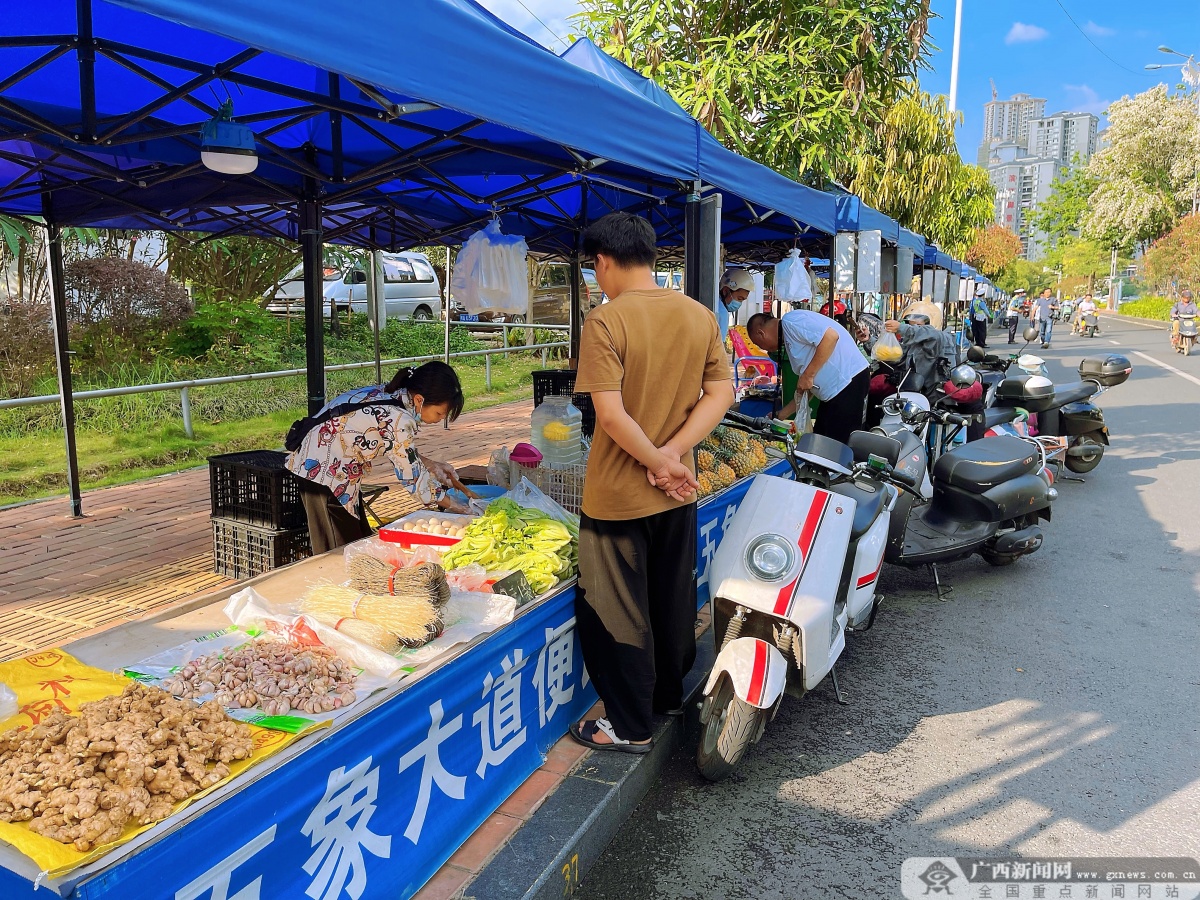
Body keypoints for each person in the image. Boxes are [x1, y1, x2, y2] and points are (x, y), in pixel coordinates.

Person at [570, 212, 733, 754]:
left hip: (618, 497)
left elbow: (610, 416)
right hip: (678, 491)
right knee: (670, 600)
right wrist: (674, 455)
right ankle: (667, 697)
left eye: (595, 268)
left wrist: (655, 461)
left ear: (604, 262)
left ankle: (630, 724)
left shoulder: (606, 321)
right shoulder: (698, 315)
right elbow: (720, 394)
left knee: (617, 611)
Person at [285, 362, 468, 554]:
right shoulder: (398, 419)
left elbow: (398, 449)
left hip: (334, 470)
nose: (439, 419)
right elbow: (416, 483)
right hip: (322, 473)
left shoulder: (392, 393)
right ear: (420, 400)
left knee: (357, 541)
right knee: (339, 551)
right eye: (439, 413)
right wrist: (459, 507)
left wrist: (431, 465)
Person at [747, 309, 870, 444]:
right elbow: (805, 386)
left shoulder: (791, 321)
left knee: (835, 447)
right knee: (818, 441)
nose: (764, 349)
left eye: (759, 344)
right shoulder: (789, 338)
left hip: (848, 383)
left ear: (761, 333)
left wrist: (808, 375)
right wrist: (780, 415)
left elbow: (830, 337)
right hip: (833, 393)